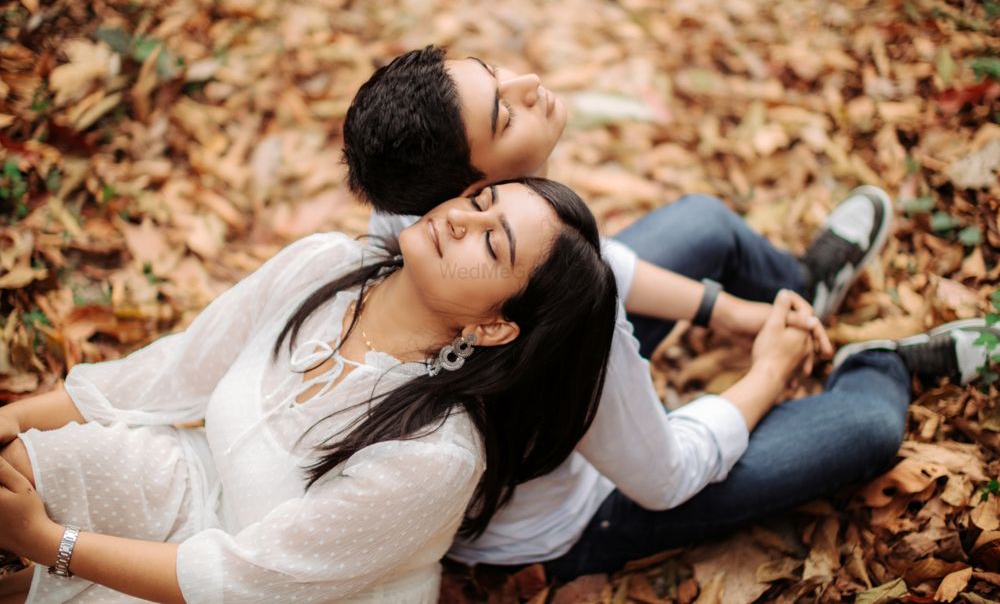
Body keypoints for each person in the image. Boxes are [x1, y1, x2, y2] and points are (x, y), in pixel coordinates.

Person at [340, 45, 1000, 579]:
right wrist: (769, 369)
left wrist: (730, 312)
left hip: (549, 348)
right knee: (867, 426)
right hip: (577, 513)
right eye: (504, 116)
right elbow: (666, 474)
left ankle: (797, 291)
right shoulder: (554, 333)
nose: (530, 81)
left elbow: (582, 258)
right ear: (477, 188)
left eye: (494, 74)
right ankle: (873, 364)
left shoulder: (423, 212)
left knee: (702, 223)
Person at [0, 177, 620, 602]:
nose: (460, 217)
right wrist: (15, 419)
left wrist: (49, 544)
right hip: (191, 476)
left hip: (277, 591)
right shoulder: (322, 264)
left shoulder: (435, 454)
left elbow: (244, 583)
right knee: (20, 464)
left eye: (490, 240)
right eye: (479, 199)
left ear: (492, 326)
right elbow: (170, 374)